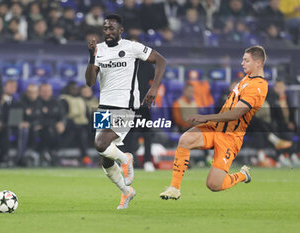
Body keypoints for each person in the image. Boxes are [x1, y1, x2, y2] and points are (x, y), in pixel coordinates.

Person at [160, 46, 268, 199]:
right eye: (243, 59)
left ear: (258, 63)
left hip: (230, 137)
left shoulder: (258, 86)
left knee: (214, 185)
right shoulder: (247, 79)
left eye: (246, 60)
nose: (242, 63)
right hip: (215, 128)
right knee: (185, 139)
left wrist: (206, 117)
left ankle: (242, 175)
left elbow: (237, 113)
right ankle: (174, 189)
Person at [85, 14, 166, 209]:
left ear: (121, 31)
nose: (108, 32)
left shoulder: (131, 47)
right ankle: (126, 191)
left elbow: (161, 60)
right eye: (105, 29)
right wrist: (91, 56)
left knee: (100, 143)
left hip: (126, 106)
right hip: (104, 106)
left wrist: (154, 87)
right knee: (105, 158)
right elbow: (89, 82)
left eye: (112, 29)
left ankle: (125, 158)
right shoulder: (100, 50)